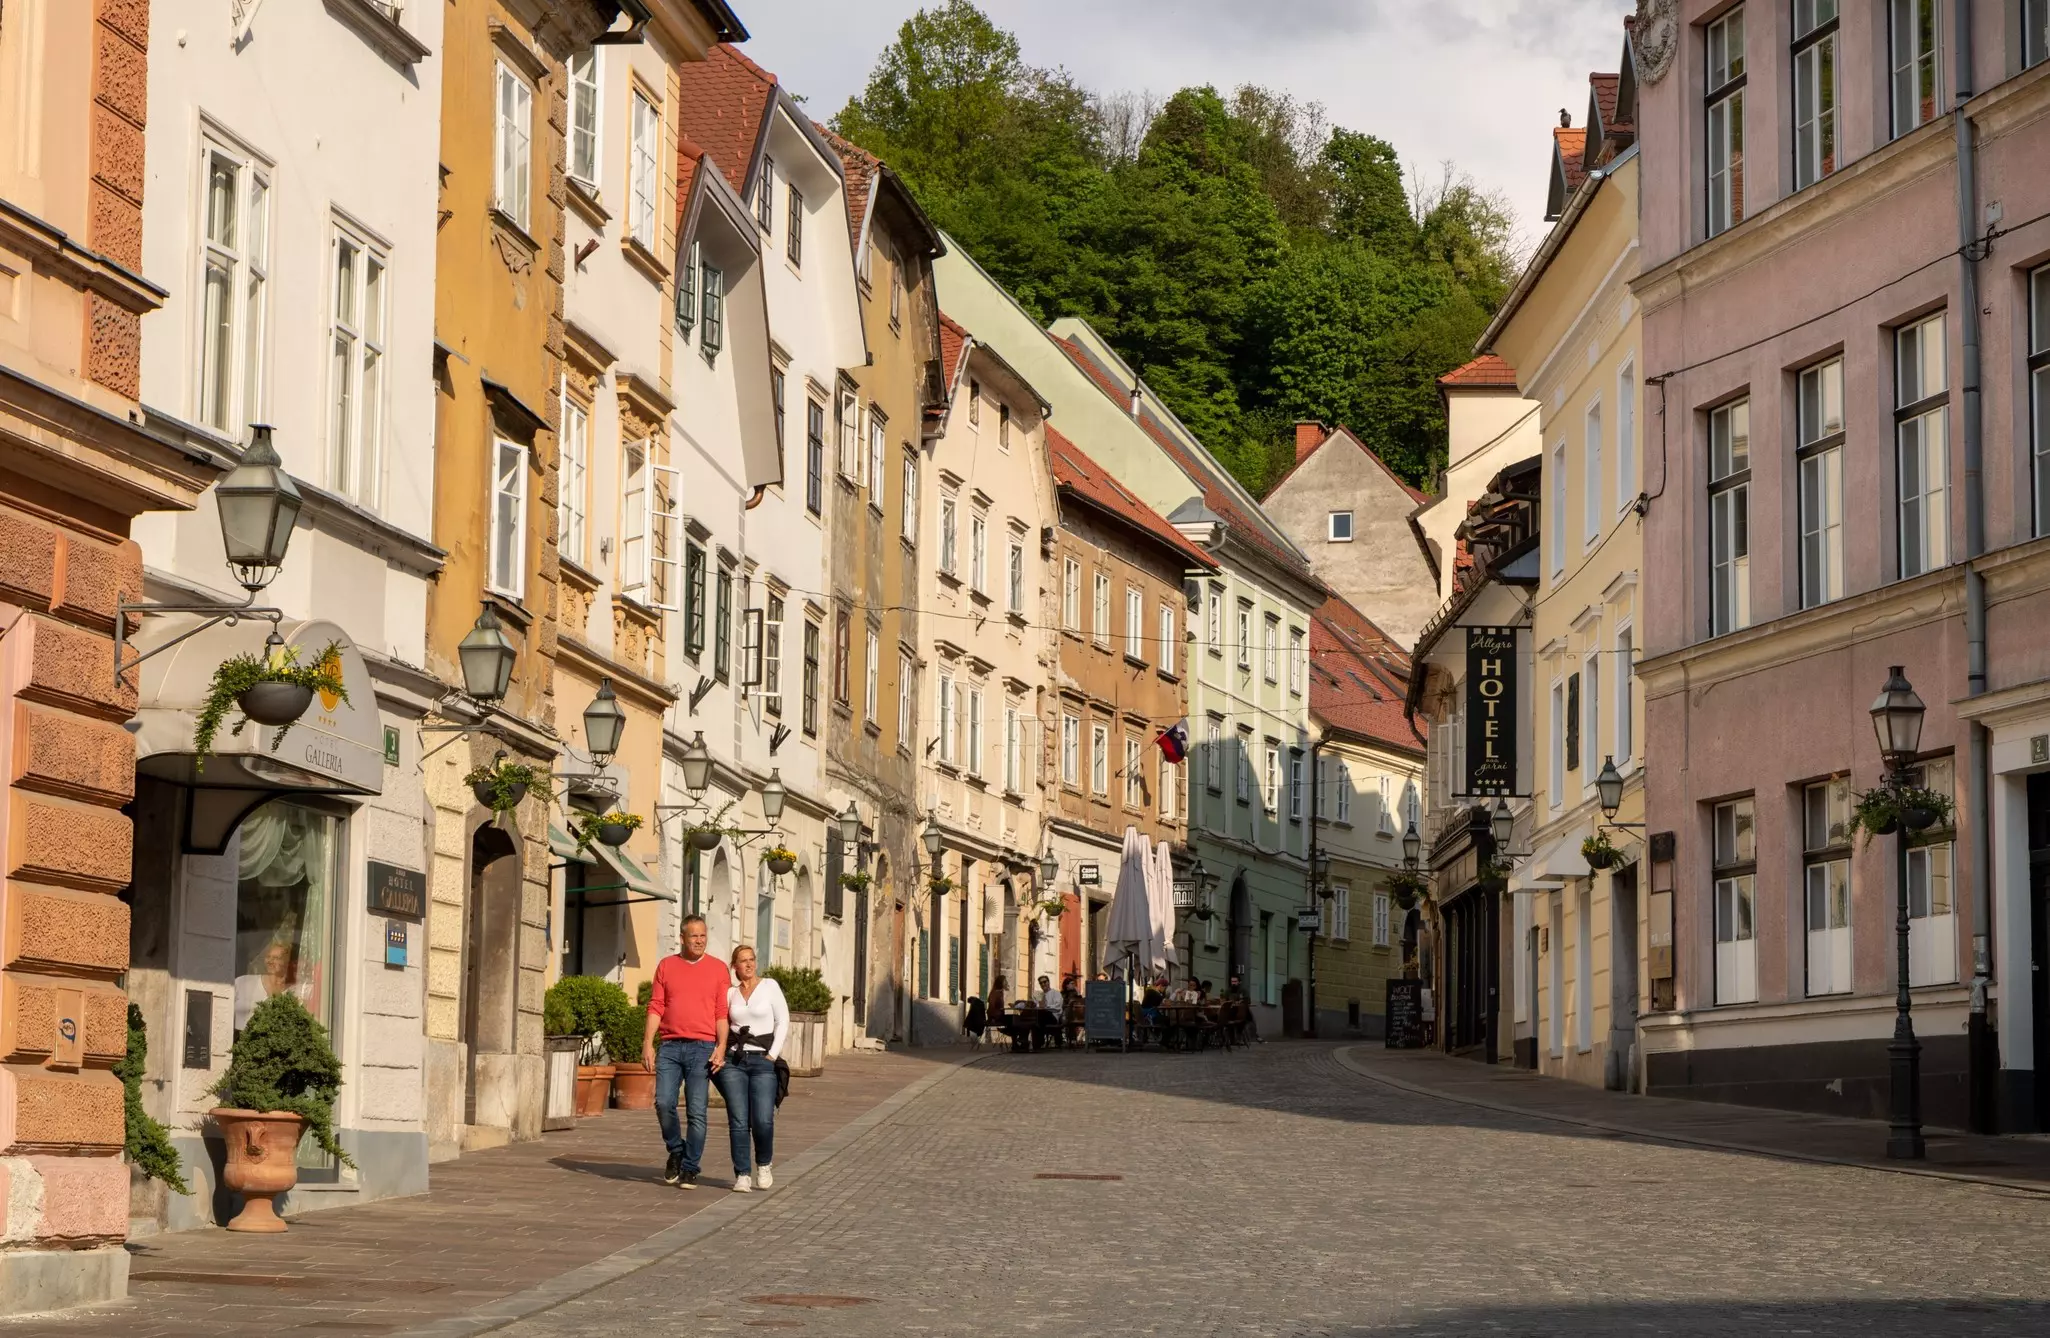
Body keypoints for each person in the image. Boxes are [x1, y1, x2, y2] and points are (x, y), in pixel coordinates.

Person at [642, 915, 730, 1190]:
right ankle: (676, 1150)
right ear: (682, 938)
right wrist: (647, 1043)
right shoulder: (667, 966)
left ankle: (691, 1168)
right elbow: (656, 1006)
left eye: (703, 935)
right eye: (694, 936)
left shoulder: (718, 969)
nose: (699, 940)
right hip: (670, 1045)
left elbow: (721, 1013)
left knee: (697, 1111)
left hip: (702, 1047)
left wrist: (721, 1046)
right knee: (664, 1102)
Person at [718, 944, 787, 1193]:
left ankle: (764, 1164)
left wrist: (772, 1055)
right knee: (738, 1120)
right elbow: (722, 1024)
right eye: (742, 961)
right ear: (734, 966)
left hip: (762, 1062)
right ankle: (742, 1174)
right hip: (735, 1062)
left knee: (762, 1120)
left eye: (751, 959)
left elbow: (783, 1020)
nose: (748, 964)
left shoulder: (770, 986)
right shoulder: (730, 994)